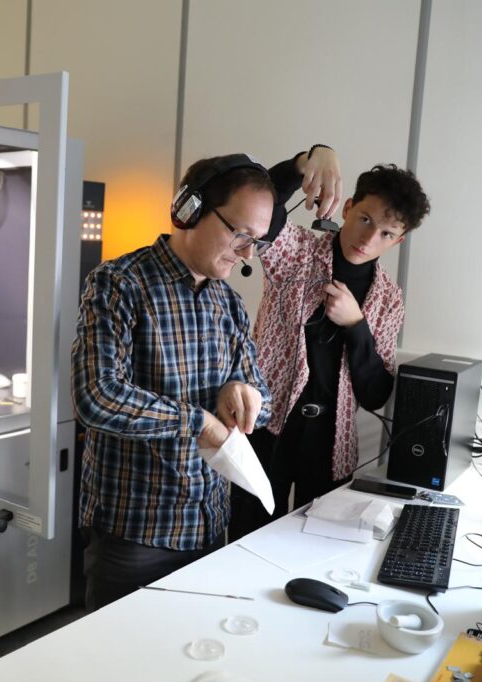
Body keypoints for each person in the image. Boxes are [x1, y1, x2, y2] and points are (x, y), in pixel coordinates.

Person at [71, 150, 342, 610]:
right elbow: (97, 397)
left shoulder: (228, 304)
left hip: (210, 527)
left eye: (257, 241)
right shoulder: (118, 283)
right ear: (190, 209)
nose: (248, 254)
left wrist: (244, 393)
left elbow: (265, 401)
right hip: (135, 535)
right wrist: (200, 423)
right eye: (240, 234)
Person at [229, 156, 431, 540]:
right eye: (366, 219)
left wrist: (357, 325)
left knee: (316, 548)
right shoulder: (299, 251)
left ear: (399, 240)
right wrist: (301, 165)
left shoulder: (388, 299)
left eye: (386, 233)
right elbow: (265, 207)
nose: (369, 239)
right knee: (247, 537)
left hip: (330, 443)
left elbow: (376, 394)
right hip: (267, 426)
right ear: (349, 207)